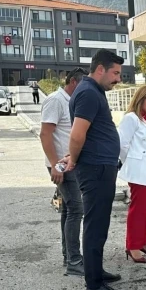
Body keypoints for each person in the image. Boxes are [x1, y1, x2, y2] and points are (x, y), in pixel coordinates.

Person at [62, 49, 125, 290]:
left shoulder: (92, 91)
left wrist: (73, 156)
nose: (118, 79)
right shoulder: (88, 92)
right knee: (95, 226)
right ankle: (94, 285)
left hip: (100, 166)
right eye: (115, 73)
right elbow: (77, 134)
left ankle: (95, 270)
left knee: (99, 224)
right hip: (96, 168)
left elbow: (86, 135)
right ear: (100, 69)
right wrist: (74, 159)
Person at [39, 67, 87, 276]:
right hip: (62, 166)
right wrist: (54, 164)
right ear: (75, 83)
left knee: (69, 210)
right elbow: (45, 134)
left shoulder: (70, 101)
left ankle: (69, 255)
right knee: (76, 210)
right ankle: (74, 261)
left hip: (70, 163)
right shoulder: (55, 100)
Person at [118, 85, 146, 264]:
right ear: (140, 99)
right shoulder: (131, 119)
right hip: (140, 170)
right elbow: (122, 144)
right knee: (138, 209)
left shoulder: (145, 119)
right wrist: (132, 162)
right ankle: (133, 246)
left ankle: (144, 242)